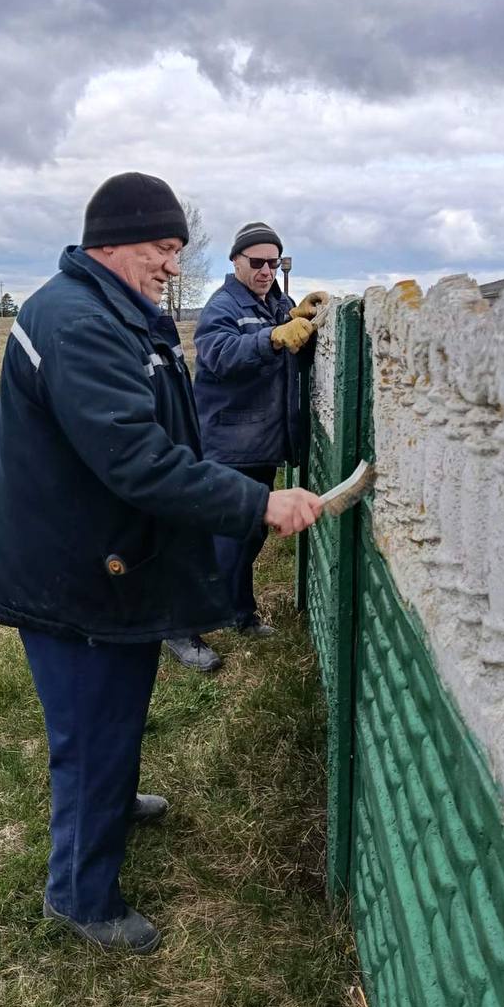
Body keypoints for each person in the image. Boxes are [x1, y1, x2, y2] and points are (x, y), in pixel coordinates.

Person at [0, 174, 323, 953]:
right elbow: (136, 459)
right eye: (161, 248)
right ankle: (80, 896)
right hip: (69, 573)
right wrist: (257, 503)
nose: (171, 265)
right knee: (92, 728)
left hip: (103, 558)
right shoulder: (78, 324)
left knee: (116, 707)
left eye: (177, 250)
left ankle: (113, 799)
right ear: (111, 242)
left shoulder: (114, 310)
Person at [165, 221, 327, 673]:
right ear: (235, 261)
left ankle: (239, 612)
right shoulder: (222, 306)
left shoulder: (278, 303)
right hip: (228, 442)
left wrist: (305, 318)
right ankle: (178, 625)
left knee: (248, 536)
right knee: (221, 540)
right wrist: (271, 337)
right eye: (256, 262)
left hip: (261, 443)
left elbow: (292, 340)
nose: (265, 271)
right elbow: (218, 354)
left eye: (273, 263)